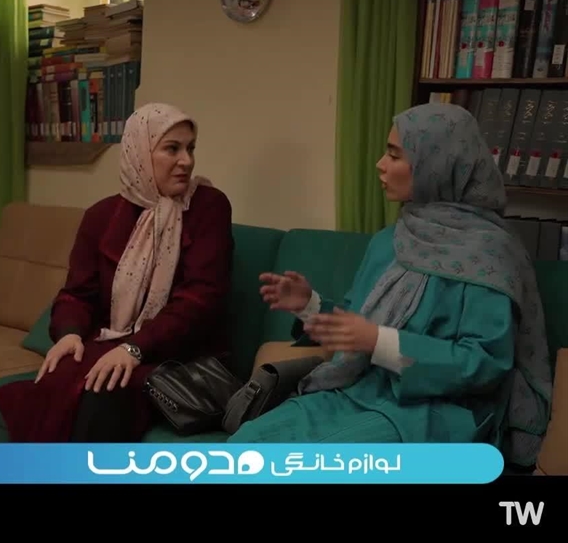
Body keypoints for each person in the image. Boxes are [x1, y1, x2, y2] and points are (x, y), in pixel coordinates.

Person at [232, 103, 553, 468]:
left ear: (436, 164)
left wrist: (379, 342)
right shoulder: (390, 240)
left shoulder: (489, 253)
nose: (380, 165)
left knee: (304, 466)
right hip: (356, 391)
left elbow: (484, 364)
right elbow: (358, 325)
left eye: (394, 155)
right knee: (243, 448)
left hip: (432, 414)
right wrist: (309, 305)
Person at [0, 103, 235, 442]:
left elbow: (200, 300)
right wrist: (69, 333)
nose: (186, 161)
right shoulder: (102, 216)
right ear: (138, 153)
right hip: (115, 341)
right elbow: (77, 293)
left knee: (104, 390)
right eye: (172, 149)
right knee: (56, 377)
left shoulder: (209, 207)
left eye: (190, 148)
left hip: (180, 353)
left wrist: (135, 348)